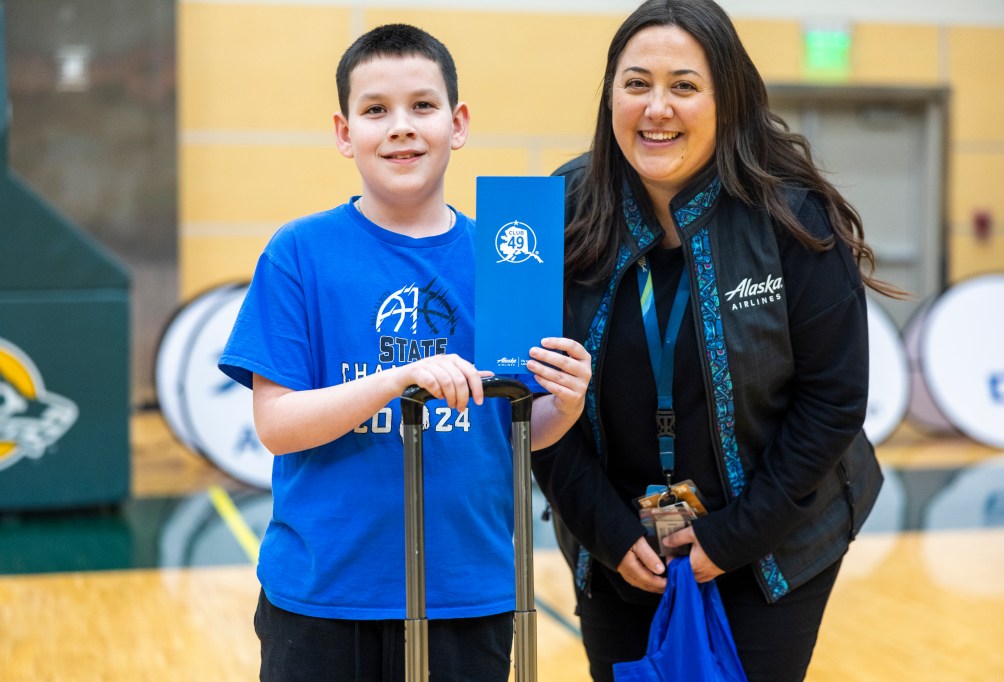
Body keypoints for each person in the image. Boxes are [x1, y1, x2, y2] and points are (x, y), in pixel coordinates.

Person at [531, 1, 897, 680]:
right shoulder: (559, 211)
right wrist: (609, 534)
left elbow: (833, 400)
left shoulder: (791, 214)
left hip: (776, 545)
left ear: (726, 100)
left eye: (684, 86)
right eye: (636, 83)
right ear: (610, 95)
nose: (657, 108)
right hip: (616, 546)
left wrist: (732, 540)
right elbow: (529, 401)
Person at [218, 24, 590, 682]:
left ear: (458, 122)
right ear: (343, 132)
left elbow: (513, 434)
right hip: (324, 596)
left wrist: (566, 399)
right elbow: (277, 426)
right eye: (375, 110)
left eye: (423, 106)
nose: (401, 128)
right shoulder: (299, 252)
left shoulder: (507, 259)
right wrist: (399, 380)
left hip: (467, 591)